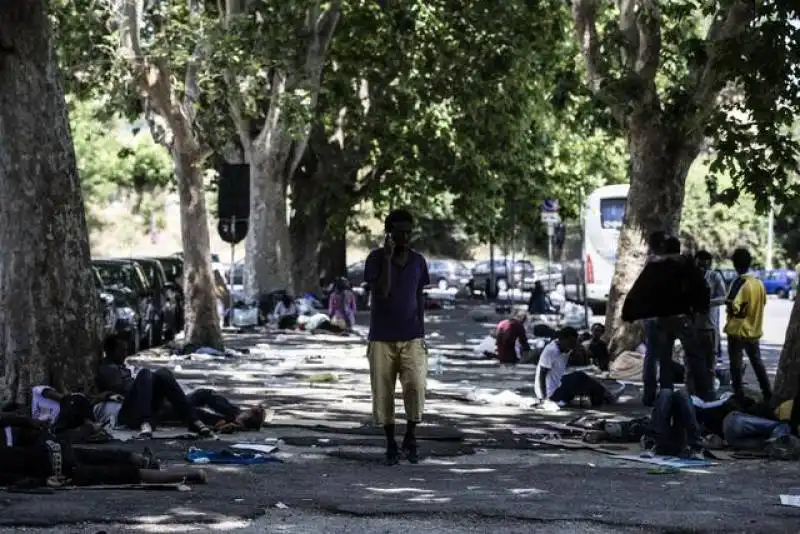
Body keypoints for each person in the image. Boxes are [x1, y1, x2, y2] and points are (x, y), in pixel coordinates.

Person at [363, 209, 430, 465]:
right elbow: (382, 292)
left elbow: (419, 297)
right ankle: (390, 442)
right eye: (400, 232)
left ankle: (410, 436)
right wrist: (388, 260)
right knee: (383, 391)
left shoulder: (418, 261)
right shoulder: (376, 259)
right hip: (382, 336)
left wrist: (422, 332)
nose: (405, 237)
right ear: (389, 234)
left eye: (408, 233)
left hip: (412, 335)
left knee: (415, 386)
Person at [0, 409, 205, 488]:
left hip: (52, 465)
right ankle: (141, 459)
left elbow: (12, 480)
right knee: (101, 457)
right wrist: (28, 421)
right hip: (52, 449)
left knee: (121, 474)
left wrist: (43, 481)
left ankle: (191, 474)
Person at [623, 233, 713, 405]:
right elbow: (702, 288)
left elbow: (639, 290)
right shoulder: (687, 266)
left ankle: (665, 396)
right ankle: (705, 395)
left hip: (661, 319)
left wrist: (630, 313)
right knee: (696, 357)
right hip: (683, 318)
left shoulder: (655, 266)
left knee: (664, 359)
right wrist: (700, 309)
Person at [96, 350, 216, 438]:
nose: (125, 352)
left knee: (162, 373)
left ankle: (192, 420)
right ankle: (146, 422)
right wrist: (111, 395)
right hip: (123, 415)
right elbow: (120, 389)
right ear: (111, 351)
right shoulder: (107, 369)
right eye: (120, 348)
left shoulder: (125, 368)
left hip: (144, 406)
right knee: (145, 373)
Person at [725, 247, 771, 402]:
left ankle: (738, 397)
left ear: (735, 264)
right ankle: (768, 394)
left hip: (737, 332)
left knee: (736, 366)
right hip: (754, 331)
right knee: (757, 364)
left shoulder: (739, 282)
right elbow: (763, 302)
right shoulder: (759, 283)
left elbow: (731, 303)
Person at [535, 327, 619, 408]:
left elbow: (584, 359)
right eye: (570, 342)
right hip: (550, 393)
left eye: (574, 343)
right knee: (579, 376)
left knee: (588, 383)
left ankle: (603, 397)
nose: (572, 345)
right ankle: (607, 396)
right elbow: (541, 375)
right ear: (562, 339)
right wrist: (544, 398)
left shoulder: (566, 347)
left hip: (558, 385)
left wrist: (578, 348)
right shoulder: (551, 350)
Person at [693, 250, 727, 391]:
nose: (702, 267)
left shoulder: (715, 276)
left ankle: (709, 390)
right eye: (699, 264)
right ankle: (693, 390)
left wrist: (707, 302)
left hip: (709, 326)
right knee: (692, 362)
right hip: (692, 326)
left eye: (705, 265)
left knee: (710, 362)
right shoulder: (689, 277)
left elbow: (724, 298)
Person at [641, 389, 705, 459]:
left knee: (681, 394)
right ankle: (651, 444)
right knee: (665, 393)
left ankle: (695, 448)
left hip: (681, 440)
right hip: (663, 440)